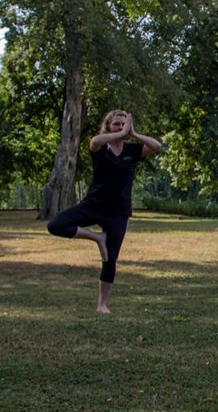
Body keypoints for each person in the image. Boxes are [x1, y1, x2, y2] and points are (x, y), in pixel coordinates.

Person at [47, 110, 161, 314]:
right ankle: (97, 237)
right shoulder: (100, 148)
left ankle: (102, 305)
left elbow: (156, 146)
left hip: (118, 212)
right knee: (55, 225)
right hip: (93, 205)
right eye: (116, 124)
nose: (120, 127)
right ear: (108, 126)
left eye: (122, 124)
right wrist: (121, 133)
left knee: (110, 259)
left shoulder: (132, 151)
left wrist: (133, 133)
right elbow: (94, 140)